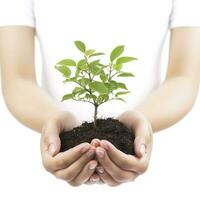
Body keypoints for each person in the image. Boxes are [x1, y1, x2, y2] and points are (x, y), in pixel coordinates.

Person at [0, 0, 200, 187]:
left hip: (159, 176)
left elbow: (183, 77)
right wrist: (53, 122)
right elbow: (18, 78)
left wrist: (140, 123)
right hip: (45, 179)